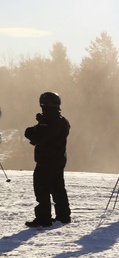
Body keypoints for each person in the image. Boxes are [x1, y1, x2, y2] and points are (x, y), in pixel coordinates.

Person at [23, 91, 71, 227]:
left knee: (42, 189)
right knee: (58, 187)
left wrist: (40, 127)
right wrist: (41, 125)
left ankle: (44, 218)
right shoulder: (62, 120)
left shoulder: (50, 122)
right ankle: (63, 215)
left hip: (46, 160)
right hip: (59, 159)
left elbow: (38, 136)